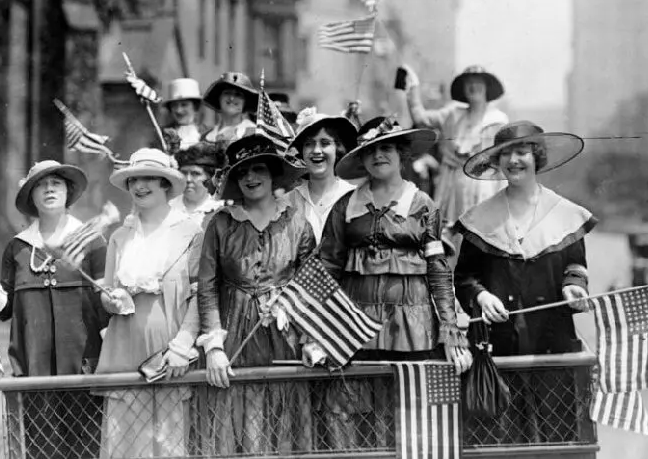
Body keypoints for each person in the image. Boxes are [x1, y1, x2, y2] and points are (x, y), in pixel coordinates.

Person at [319, 116, 472, 448]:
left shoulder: (423, 205)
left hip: (412, 326)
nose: (378, 156)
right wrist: (317, 332)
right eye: (370, 150)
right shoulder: (345, 207)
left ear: (402, 153)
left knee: (407, 414)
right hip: (354, 326)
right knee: (350, 410)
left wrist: (451, 330)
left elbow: (439, 271)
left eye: (386, 148)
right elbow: (327, 268)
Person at [453, 121, 592, 443]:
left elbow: (576, 264)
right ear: (497, 162)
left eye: (522, 152)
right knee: (501, 438)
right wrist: (482, 297)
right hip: (499, 348)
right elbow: (464, 278)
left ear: (537, 156)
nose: (514, 160)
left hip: (552, 343)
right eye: (506, 154)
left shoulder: (565, 214)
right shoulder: (480, 218)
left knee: (557, 433)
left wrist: (574, 285)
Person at [0, 160, 109, 458]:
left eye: (56, 184)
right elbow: (5, 311)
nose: (49, 189)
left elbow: (106, 307)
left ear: (68, 193)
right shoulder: (17, 249)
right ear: (30, 197)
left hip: (84, 368)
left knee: (87, 447)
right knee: (40, 447)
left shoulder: (92, 242)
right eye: (41, 186)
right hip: (33, 369)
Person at [196, 134, 314, 455]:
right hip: (235, 334)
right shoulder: (221, 224)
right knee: (236, 418)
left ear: (273, 173)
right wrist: (214, 346)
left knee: (285, 412)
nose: (250, 177)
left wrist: (309, 339)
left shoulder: (297, 224)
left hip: (283, 333)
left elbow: (310, 285)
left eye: (257, 168)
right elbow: (206, 287)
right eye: (242, 172)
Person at [96, 148, 201, 458]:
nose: (140, 186)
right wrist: (111, 301)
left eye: (148, 179)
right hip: (124, 346)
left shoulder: (191, 232)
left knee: (169, 442)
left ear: (166, 184)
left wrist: (182, 345)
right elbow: (106, 291)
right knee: (125, 442)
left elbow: (201, 294)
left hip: (169, 354)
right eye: (133, 180)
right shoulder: (120, 236)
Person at [403, 65, 509, 254]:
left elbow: (502, 164)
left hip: (484, 189)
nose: (473, 87)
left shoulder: (498, 121)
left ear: (487, 88)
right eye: (468, 83)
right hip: (452, 186)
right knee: (449, 242)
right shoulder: (453, 114)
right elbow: (421, 117)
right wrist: (413, 87)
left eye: (478, 83)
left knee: (481, 242)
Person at [286, 107, 357, 243]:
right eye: (309, 144)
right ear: (301, 152)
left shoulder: (354, 196)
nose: (317, 150)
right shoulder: (287, 202)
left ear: (337, 149)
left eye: (325, 143)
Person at [170, 142, 226, 227]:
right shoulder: (167, 207)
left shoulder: (221, 212)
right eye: (184, 173)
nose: (188, 179)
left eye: (195, 174)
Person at [202, 72, 258, 143]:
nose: (231, 98)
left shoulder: (255, 134)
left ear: (245, 102)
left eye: (238, 94)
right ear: (219, 98)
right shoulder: (206, 137)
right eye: (227, 93)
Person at [163, 78, 204, 150]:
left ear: (195, 107)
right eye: (175, 105)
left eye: (184, 105)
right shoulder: (161, 134)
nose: (179, 111)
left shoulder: (209, 134)